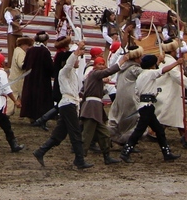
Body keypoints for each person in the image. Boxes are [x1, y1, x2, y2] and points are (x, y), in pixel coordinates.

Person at [32, 38, 93, 170]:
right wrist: (77, 50)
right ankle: (79, 160)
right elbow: (70, 63)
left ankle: (41, 151)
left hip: (69, 104)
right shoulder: (64, 71)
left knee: (60, 133)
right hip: (68, 104)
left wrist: (79, 50)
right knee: (75, 132)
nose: (77, 61)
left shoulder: (72, 74)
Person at [119, 54, 182, 163]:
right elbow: (163, 70)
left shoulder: (142, 75)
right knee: (139, 130)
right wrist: (177, 63)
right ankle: (126, 152)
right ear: (152, 65)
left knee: (159, 130)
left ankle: (167, 153)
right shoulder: (150, 74)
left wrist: (159, 61)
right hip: (147, 106)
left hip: (146, 105)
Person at [79, 54, 122, 165]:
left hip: (95, 108)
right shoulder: (94, 74)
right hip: (91, 108)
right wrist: (121, 61)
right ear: (95, 65)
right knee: (87, 135)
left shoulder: (95, 78)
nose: (102, 66)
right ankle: (80, 158)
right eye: (100, 64)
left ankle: (106, 156)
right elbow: (107, 72)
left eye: (103, 64)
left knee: (104, 134)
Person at [19, 32, 54, 120]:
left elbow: (25, 65)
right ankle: (40, 117)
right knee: (41, 97)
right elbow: (49, 66)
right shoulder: (45, 51)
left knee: (31, 97)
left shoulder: (30, 50)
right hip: (42, 79)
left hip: (30, 79)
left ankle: (32, 116)